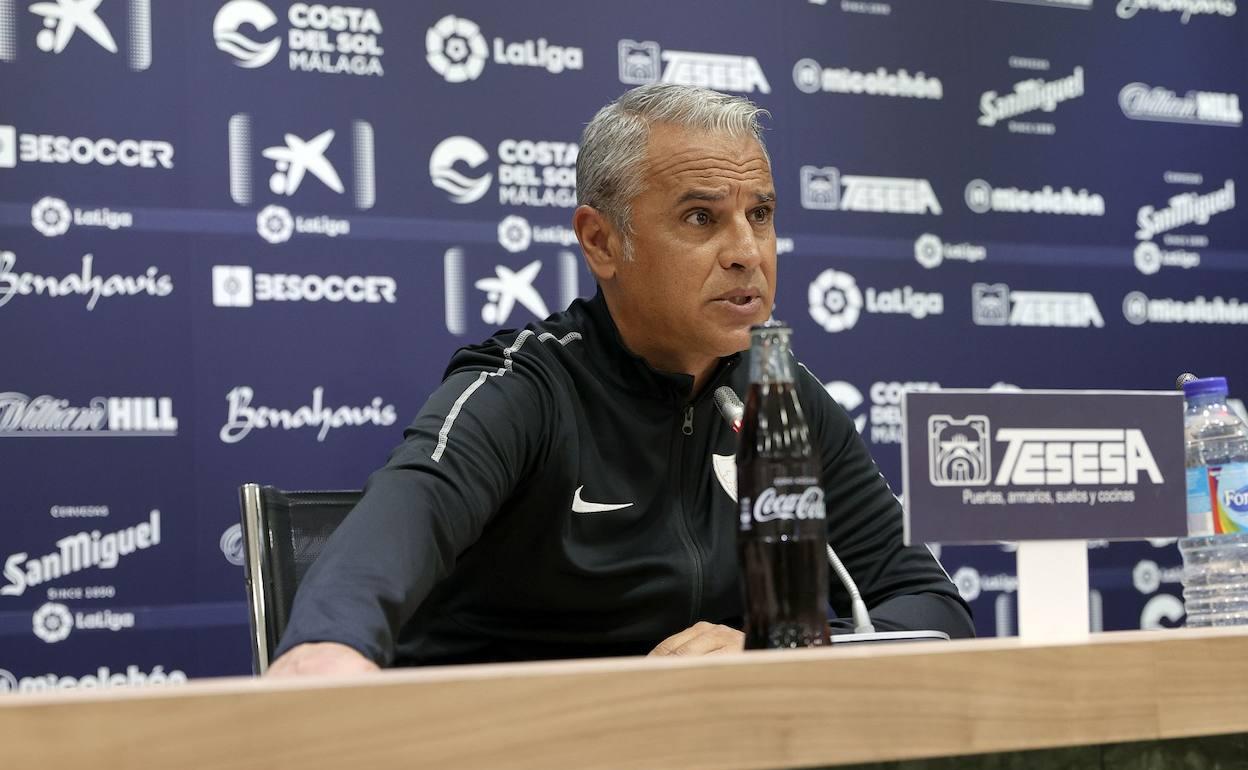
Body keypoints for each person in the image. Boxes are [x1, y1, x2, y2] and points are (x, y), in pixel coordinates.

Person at [268, 84, 973, 676]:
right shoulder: (527, 386)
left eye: (759, 215)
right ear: (603, 242)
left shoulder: (779, 398)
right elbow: (408, 512)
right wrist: (328, 647)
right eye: (702, 217)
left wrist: (787, 647)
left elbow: (930, 607)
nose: (747, 252)